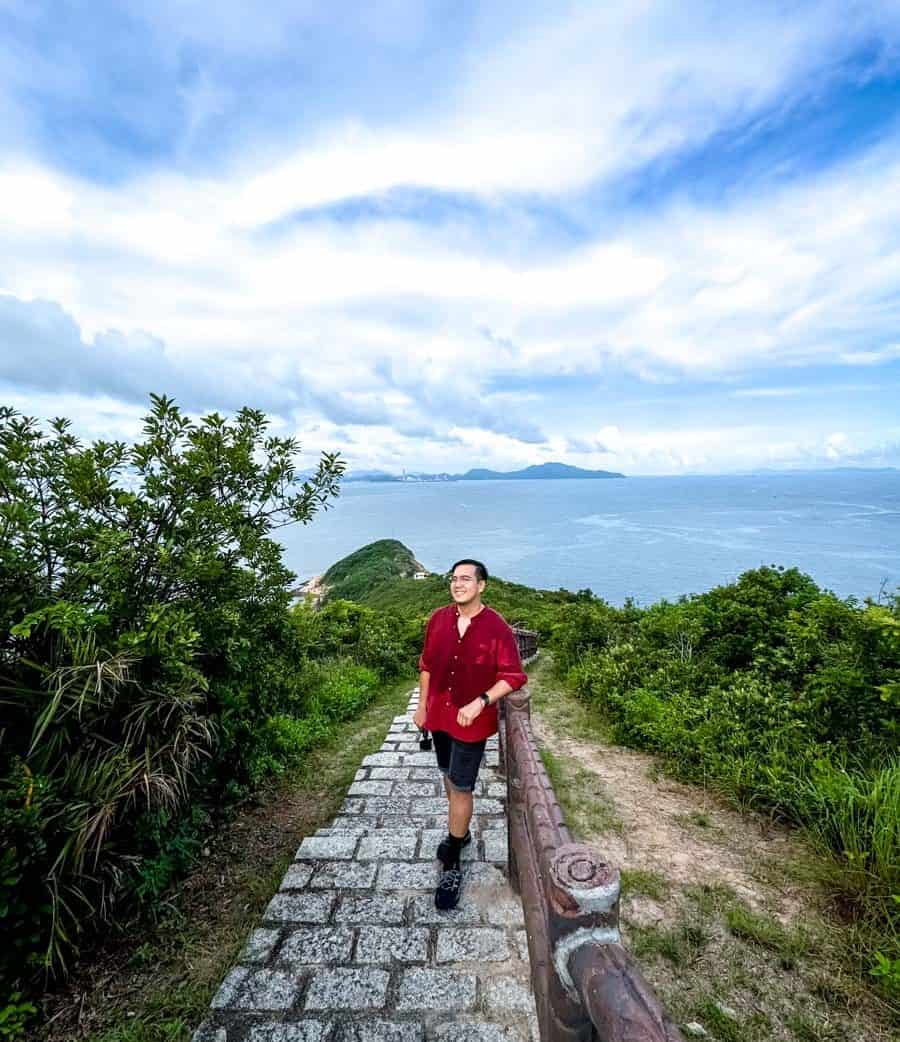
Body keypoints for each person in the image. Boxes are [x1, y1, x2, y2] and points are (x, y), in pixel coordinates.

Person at [413, 558, 528, 909]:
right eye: (454, 578)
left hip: (470, 723)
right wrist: (421, 707)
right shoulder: (438, 619)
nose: (458, 584)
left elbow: (513, 676)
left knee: (461, 785)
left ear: (481, 585)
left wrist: (481, 702)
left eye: (466, 578)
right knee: (448, 776)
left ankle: (452, 860)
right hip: (440, 716)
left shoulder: (496, 627)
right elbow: (426, 666)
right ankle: (459, 834)